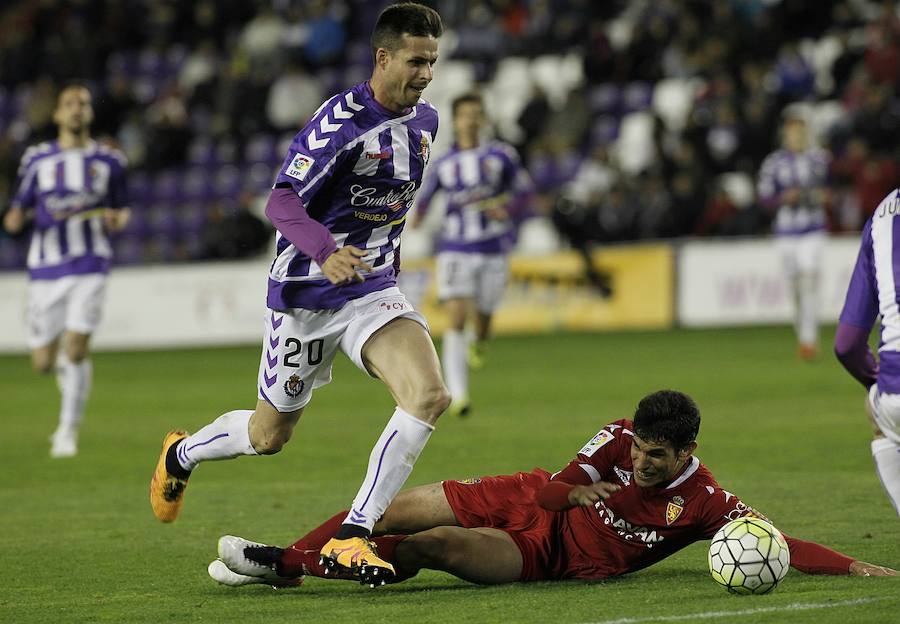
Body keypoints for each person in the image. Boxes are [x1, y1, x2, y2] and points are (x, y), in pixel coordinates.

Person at [149, 2, 448, 588]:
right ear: (383, 56)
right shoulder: (343, 121)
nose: (425, 74)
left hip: (374, 291)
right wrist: (325, 252)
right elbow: (281, 201)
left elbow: (386, 211)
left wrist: (372, 261)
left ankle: (354, 535)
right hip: (308, 295)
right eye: (416, 61)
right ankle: (180, 453)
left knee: (428, 395)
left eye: (433, 62)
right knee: (269, 437)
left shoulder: (426, 122)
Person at [205, 390, 897, 588]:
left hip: (553, 556)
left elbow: (774, 542)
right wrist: (580, 493)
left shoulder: (706, 501)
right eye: (641, 451)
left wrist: (853, 564)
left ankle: (304, 564)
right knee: (390, 506)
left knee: (433, 545)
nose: (643, 463)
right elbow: (547, 497)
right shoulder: (617, 437)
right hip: (535, 501)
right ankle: (288, 565)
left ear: (687, 452)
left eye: (658, 458)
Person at [2, 83, 131, 458]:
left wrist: (116, 219)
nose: (77, 109)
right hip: (45, 269)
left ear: (90, 113)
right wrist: (14, 219)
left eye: (84, 104)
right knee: (43, 362)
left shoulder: (110, 161)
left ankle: (66, 431)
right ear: (57, 114)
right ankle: (62, 370)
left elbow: (122, 210)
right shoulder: (37, 160)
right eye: (70, 104)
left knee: (75, 348)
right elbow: (18, 209)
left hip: (90, 264)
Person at [411, 92, 533, 416]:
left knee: (484, 317)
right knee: (456, 317)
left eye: (477, 114)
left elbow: (523, 192)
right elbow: (425, 198)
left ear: (484, 119)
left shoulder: (501, 155)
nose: (471, 120)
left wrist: (505, 209)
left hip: (493, 247)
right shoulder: (444, 163)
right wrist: (418, 217)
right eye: (466, 114)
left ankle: (479, 340)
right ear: (456, 120)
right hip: (455, 248)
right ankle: (458, 395)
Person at [834, 188, 900, 517]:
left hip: (895, 394)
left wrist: (879, 381)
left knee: (879, 418)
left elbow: (847, 344)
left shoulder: (882, 215)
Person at [757, 116, 830, 361]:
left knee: (809, 282)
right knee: (795, 288)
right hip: (786, 233)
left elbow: (833, 190)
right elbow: (764, 198)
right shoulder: (773, 163)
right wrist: (781, 200)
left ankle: (809, 341)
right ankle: (804, 337)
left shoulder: (818, 160)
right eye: (793, 134)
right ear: (785, 136)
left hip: (812, 229)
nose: (798, 138)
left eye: (801, 133)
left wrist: (822, 196)